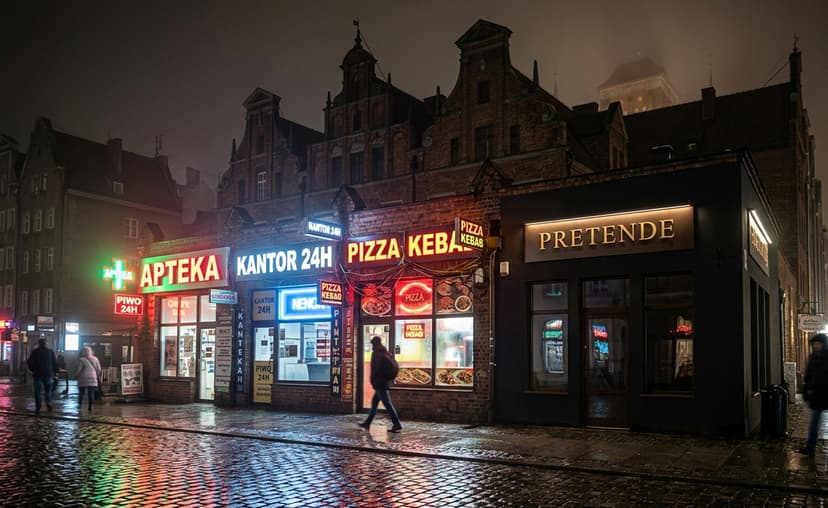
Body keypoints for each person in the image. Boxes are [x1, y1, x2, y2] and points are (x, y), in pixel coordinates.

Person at [358, 336, 402, 433]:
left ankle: (397, 424)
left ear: (374, 344)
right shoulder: (384, 352)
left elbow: (376, 369)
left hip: (380, 383)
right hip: (383, 382)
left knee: (387, 404)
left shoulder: (376, 354)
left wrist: (373, 381)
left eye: (372, 344)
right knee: (374, 404)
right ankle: (367, 423)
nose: (372, 346)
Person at [800, 333, 828, 456]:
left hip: (825, 392)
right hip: (816, 395)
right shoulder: (813, 357)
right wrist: (806, 390)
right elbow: (808, 376)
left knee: (814, 420)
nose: (816, 346)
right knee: (814, 421)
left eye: (818, 343)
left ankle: (810, 447)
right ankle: (810, 448)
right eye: (814, 344)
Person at [27, 338, 58, 414]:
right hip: (48, 374)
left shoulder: (35, 352)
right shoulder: (50, 352)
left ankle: (38, 407)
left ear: (39, 344)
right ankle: (49, 404)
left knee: (37, 391)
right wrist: (55, 373)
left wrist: (33, 369)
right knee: (48, 390)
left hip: (37, 374)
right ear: (46, 343)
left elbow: (29, 362)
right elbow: (54, 363)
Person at [77, 346, 101, 412]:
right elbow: (99, 369)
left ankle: (79, 405)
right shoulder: (95, 359)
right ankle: (90, 406)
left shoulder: (82, 359)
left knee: (81, 392)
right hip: (92, 377)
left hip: (83, 377)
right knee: (91, 392)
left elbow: (79, 369)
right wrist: (96, 374)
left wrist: (76, 375)